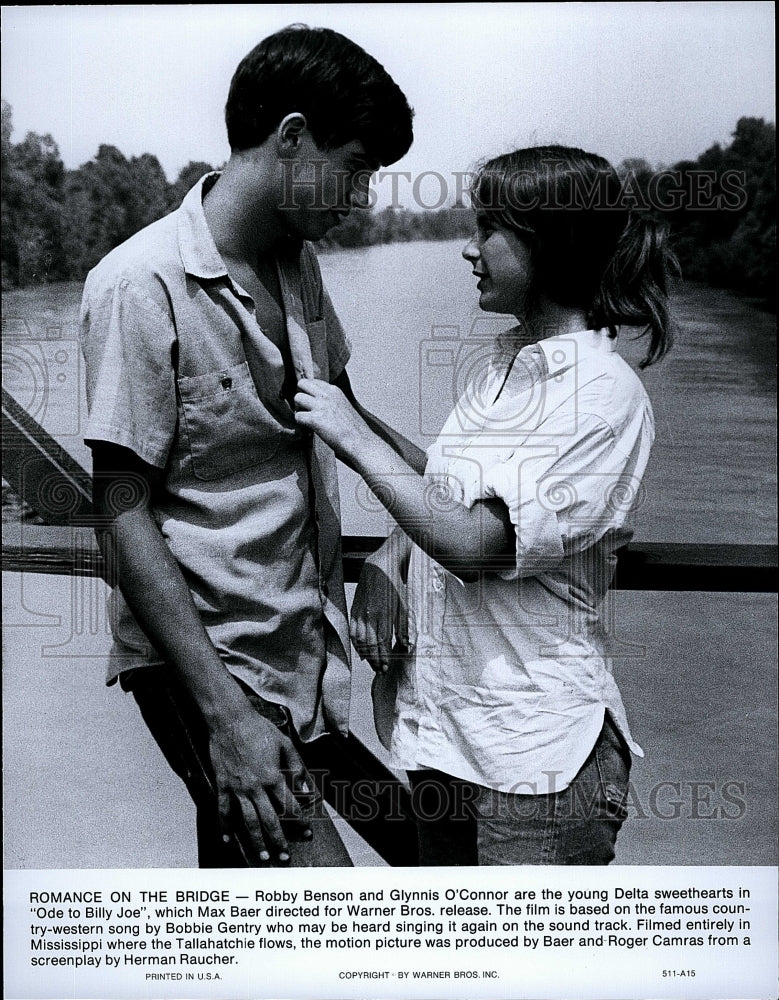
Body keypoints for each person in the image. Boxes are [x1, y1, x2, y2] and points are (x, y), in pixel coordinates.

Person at [80, 24, 416, 867]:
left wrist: (435, 514)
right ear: (292, 137)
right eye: (358, 168)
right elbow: (120, 512)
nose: (362, 199)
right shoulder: (137, 284)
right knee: (324, 923)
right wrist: (225, 717)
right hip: (207, 665)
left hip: (303, 650)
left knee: (442, 850)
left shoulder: (296, 265)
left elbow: (346, 420)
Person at [295, 145, 676, 865]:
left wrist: (350, 436)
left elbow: (478, 544)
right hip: (446, 745)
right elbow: (444, 491)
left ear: (547, 243)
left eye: (486, 229)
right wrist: (390, 550)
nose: (467, 250)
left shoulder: (601, 392)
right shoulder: (503, 369)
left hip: (533, 768)